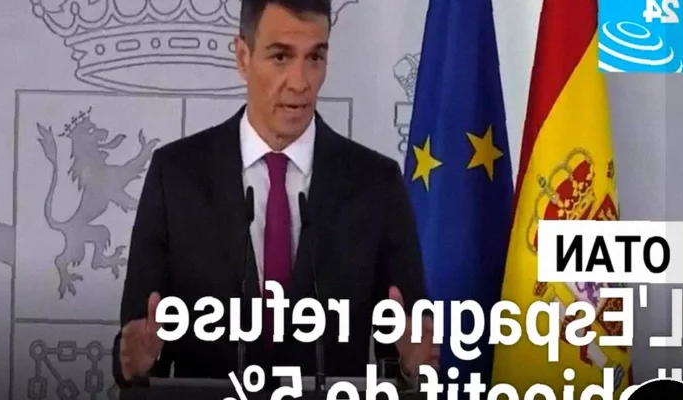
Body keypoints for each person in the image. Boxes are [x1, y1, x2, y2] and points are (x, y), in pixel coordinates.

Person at [113, 0, 439, 389]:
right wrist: (135, 361)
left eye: (315, 57)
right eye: (281, 57)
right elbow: (138, 342)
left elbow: (404, 355)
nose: (300, 82)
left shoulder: (376, 184)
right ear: (242, 57)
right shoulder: (176, 176)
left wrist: (413, 367)